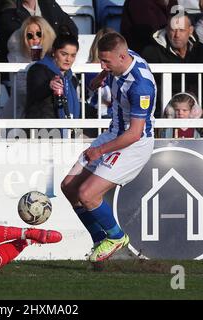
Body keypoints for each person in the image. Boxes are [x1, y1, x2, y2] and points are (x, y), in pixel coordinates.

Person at [61, 32, 156, 263]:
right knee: (69, 187)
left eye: (106, 62)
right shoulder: (122, 58)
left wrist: (99, 151)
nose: (102, 65)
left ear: (122, 57)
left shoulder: (140, 85)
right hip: (113, 133)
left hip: (133, 144)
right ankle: (99, 238)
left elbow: (134, 133)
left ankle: (117, 237)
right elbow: (112, 60)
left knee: (88, 194)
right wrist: (103, 75)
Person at [2, 15, 56, 119]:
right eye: (30, 36)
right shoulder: (16, 58)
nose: (35, 38)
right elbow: (21, 92)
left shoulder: (55, 57)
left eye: (39, 34)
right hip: (20, 112)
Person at [0, 0, 78, 58]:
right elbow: (9, 43)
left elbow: (71, 29)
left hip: (53, 59)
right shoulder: (10, 14)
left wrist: (60, 49)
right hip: (25, 62)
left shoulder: (50, 5)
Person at [25, 33, 80, 120]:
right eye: (64, 54)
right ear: (54, 52)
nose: (68, 59)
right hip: (41, 128)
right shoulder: (38, 69)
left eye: (73, 55)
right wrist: (48, 86)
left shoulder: (71, 79)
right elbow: (34, 94)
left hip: (66, 129)